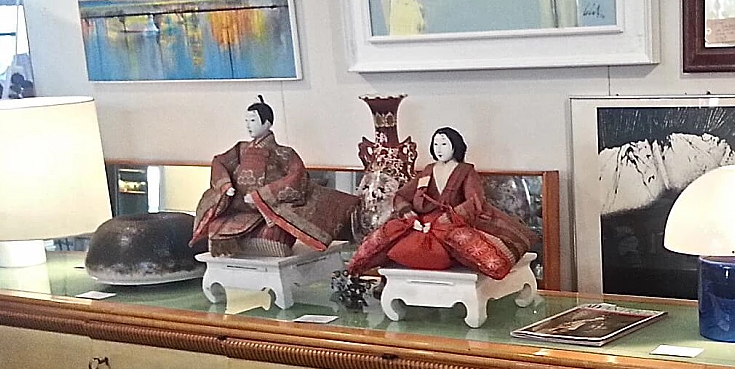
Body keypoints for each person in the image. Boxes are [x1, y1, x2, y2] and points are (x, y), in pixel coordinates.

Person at [346, 127, 535, 280]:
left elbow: (474, 201)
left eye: (444, 144)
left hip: (451, 221)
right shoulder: (428, 171)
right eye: (436, 144)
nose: (439, 148)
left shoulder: (465, 171)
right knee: (390, 237)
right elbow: (402, 195)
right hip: (421, 222)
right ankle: (358, 268)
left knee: (464, 242)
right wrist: (409, 214)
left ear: (455, 146)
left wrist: (450, 218)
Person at [192, 97, 358, 257]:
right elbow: (219, 162)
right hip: (239, 207)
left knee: (275, 233)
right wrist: (226, 186)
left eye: (253, 121)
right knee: (216, 227)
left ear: (267, 123)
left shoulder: (284, 153)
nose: (249, 126)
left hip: (269, 212)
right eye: (247, 121)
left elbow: (297, 177)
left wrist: (260, 196)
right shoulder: (240, 149)